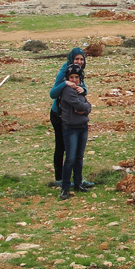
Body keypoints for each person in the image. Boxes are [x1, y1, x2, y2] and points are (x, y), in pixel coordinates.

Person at [48, 48, 93, 190]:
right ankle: (60, 179)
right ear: (71, 59)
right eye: (77, 59)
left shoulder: (80, 72)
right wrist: (65, 84)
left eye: (81, 59)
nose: (79, 62)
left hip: (74, 116)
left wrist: (83, 90)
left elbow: (83, 89)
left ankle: (77, 179)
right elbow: (53, 93)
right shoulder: (65, 71)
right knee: (62, 147)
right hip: (59, 115)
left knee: (75, 151)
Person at [57, 64, 91, 200]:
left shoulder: (80, 90)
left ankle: (78, 183)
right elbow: (79, 105)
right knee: (70, 158)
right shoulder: (68, 91)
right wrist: (84, 108)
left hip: (82, 126)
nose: (74, 79)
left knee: (79, 157)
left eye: (76, 77)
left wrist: (84, 108)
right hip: (71, 128)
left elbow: (88, 105)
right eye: (71, 77)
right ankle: (65, 187)